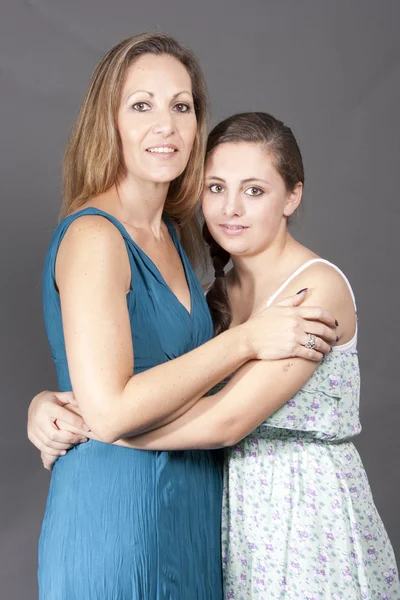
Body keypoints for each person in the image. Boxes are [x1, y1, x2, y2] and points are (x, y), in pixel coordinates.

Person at [31, 112, 399, 598]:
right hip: (230, 517)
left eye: (254, 191)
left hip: (306, 515)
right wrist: (51, 404)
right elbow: (162, 388)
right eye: (215, 187)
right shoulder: (211, 299)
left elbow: (226, 421)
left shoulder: (317, 289)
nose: (231, 208)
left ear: (292, 196)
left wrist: (103, 428)